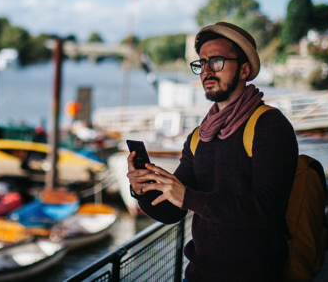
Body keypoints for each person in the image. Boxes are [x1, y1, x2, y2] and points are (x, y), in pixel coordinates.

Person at [127, 22, 298, 282]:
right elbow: (173, 211)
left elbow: (267, 209)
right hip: (197, 275)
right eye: (201, 64)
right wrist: (141, 191)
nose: (206, 71)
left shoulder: (269, 125)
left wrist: (189, 197)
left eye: (216, 61)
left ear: (244, 69)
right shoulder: (200, 136)